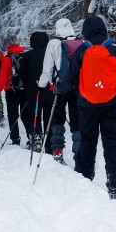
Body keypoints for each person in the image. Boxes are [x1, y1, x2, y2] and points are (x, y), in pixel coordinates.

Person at [57, 16, 116, 202]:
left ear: (85, 32)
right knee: (111, 141)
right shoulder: (114, 48)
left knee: (87, 141)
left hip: (87, 105)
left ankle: (84, 178)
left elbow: (70, 78)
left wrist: (59, 88)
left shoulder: (82, 50)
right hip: (112, 103)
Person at [39, 18, 83, 164]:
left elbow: (47, 68)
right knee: (77, 119)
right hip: (77, 87)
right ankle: (79, 152)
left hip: (59, 87)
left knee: (57, 118)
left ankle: (57, 151)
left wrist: (42, 84)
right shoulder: (80, 43)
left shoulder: (53, 43)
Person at [19, 31, 54, 152]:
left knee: (34, 116)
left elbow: (22, 75)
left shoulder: (27, 56)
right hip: (49, 90)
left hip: (33, 91)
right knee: (49, 117)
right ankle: (50, 143)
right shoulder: (51, 54)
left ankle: (37, 138)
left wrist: (28, 83)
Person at [0, 36, 31, 145]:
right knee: (26, 115)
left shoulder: (7, 59)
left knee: (12, 115)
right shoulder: (26, 55)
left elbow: (2, 76)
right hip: (26, 89)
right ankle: (31, 136)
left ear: (7, 45)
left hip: (11, 90)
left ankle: (15, 139)